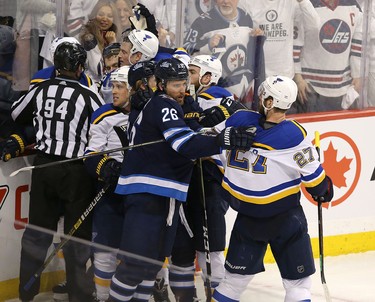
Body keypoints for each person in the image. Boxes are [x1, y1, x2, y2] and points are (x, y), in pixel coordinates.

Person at [108, 57, 256, 302]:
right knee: (134, 265)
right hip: (149, 192)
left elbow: (190, 132)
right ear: (162, 84)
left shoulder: (168, 105)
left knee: (150, 265)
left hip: (161, 194)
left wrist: (213, 131)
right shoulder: (163, 104)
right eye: (177, 84)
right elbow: (183, 143)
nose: (183, 89)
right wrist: (222, 140)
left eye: (185, 83)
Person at [210, 76, 334, 302]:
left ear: (268, 102)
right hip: (286, 221)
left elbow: (207, 139)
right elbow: (317, 185)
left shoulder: (237, 120)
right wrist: (325, 186)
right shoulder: (294, 135)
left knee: (232, 284)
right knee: (298, 286)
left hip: (247, 220)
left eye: (263, 95)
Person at [0, 42, 104, 302]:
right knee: (76, 239)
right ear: (81, 67)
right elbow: (105, 124)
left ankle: (26, 293)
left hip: (45, 167)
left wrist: (37, 126)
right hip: (77, 173)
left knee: (37, 234)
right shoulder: (88, 94)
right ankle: (79, 296)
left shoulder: (41, 89)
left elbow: (16, 113)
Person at [84, 65, 132, 302]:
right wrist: (106, 167)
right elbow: (90, 155)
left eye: (120, 87)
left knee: (137, 250)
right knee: (104, 248)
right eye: (113, 86)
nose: (114, 91)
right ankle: (103, 297)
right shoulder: (103, 114)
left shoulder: (148, 113)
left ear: (133, 89)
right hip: (110, 191)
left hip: (138, 192)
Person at [183, 0, 265, 104]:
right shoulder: (202, 22)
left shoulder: (246, 17)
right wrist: (207, 44)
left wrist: (255, 37)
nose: (225, 1)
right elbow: (186, 49)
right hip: (213, 91)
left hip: (242, 88)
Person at [292, 0, 362, 112]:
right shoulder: (305, 4)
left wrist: (357, 74)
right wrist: (298, 77)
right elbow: (295, 44)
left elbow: (357, 41)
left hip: (343, 86)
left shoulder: (352, 5)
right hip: (310, 87)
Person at [238, 0, 320, 79]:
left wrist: (303, 1)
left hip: (284, 74)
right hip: (256, 73)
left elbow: (314, 26)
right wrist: (250, 35)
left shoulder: (291, 3)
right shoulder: (246, 2)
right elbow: (236, 31)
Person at [79, 0, 120, 82]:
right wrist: (112, 44)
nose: (105, 19)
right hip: (92, 84)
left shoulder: (114, 35)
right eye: (101, 14)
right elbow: (100, 70)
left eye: (110, 16)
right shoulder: (89, 38)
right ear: (94, 15)